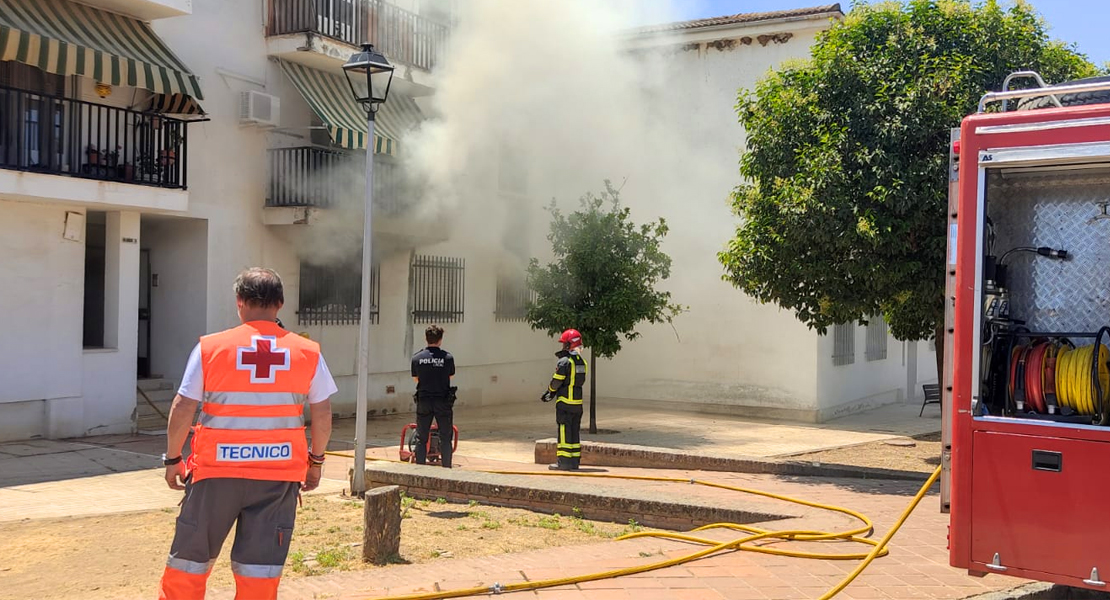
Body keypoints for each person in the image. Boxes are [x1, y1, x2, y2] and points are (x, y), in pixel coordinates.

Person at [158, 268, 337, 600]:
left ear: (239, 302)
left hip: (215, 474)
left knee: (188, 566)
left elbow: (183, 406)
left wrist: (172, 458)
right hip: (278, 479)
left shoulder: (211, 348)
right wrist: (316, 462)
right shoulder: (307, 353)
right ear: (280, 304)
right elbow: (322, 414)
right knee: (259, 574)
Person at [541, 329, 588, 471]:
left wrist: (549, 393)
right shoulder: (582, 363)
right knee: (574, 432)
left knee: (564, 432)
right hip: (577, 404)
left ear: (568, 345)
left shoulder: (564, 362)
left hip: (565, 403)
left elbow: (557, 381)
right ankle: (574, 462)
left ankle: (564, 463)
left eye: (564, 344)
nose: (562, 347)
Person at [411, 325, 456, 468]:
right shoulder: (448, 358)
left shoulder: (417, 358)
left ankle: (420, 469)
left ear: (426, 338)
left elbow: (415, 379)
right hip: (442, 401)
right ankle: (447, 470)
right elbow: (451, 375)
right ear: (440, 340)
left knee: (421, 438)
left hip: (424, 400)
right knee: (445, 437)